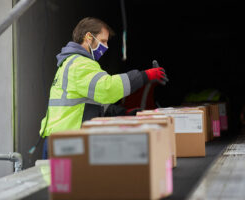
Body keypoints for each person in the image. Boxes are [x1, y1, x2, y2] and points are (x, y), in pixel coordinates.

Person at [40, 17, 168, 158]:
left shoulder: (71, 62)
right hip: (67, 144)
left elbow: (91, 102)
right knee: (69, 181)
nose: (106, 47)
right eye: (103, 41)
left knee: (66, 180)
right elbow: (107, 88)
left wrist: (123, 113)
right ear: (89, 37)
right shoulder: (80, 64)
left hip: (62, 140)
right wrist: (145, 76)